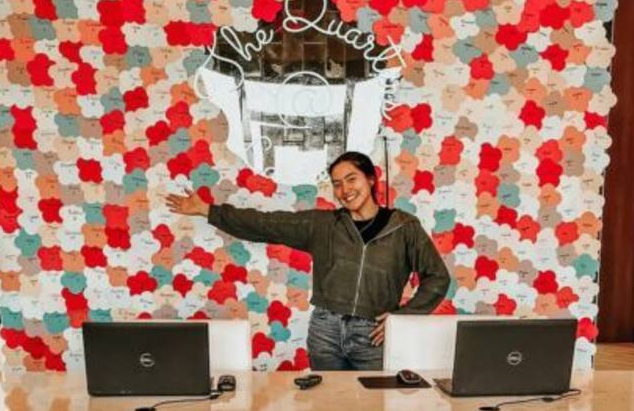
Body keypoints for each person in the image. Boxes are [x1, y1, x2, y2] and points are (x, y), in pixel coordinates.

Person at [165, 150, 451, 370]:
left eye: (352, 179)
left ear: (371, 178)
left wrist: (404, 317)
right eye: (337, 184)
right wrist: (207, 210)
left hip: (374, 333)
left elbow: (437, 278)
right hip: (325, 330)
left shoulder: (404, 226)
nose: (344, 190)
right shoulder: (323, 224)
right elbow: (266, 223)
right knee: (328, 410)